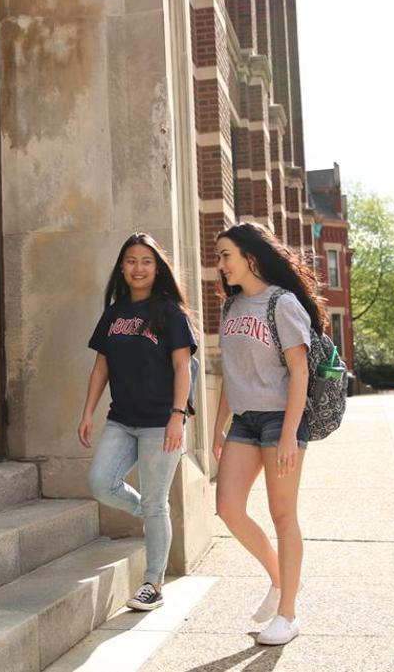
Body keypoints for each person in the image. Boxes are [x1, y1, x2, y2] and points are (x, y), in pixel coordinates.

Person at [211, 222, 328, 646]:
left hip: (282, 418)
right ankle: (279, 579)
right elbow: (232, 371)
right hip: (244, 420)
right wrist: (219, 423)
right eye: (219, 256)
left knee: (283, 516)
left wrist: (289, 434)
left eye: (226, 255)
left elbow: (299, 371)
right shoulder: (231, 307)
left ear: (250, 257)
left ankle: (288, 614)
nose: (219, 264)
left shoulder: (282, 303)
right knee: (227, 507)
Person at [78, 233, 197, 611]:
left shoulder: (169, 312)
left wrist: (178, 416)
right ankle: (148, 513)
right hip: (122, 419)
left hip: (161, 422)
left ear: (156, 267)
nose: (138, 267)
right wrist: (87, 412)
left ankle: (153, 583)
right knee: (101, 483)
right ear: (122, 267)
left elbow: (183, 366)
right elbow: (101, 366)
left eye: (146, 260)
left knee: (156, 501)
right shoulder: (113, 313)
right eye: (131, 260)